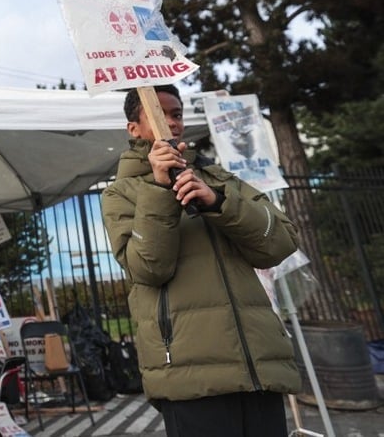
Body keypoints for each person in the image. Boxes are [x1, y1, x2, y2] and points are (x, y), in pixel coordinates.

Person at [101, 84, 301, 437]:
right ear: (133, 128)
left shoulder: (220, 178)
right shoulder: (121, 193)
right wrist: (161, 192)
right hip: (189, 373)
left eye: (176, 114)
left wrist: (219, 203)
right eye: (159, 114)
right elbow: (148, 268)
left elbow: (279, 243)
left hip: (259, 366)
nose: (172, 122)